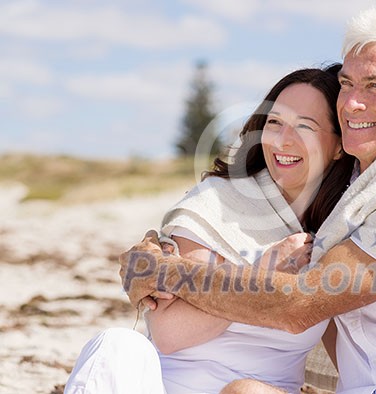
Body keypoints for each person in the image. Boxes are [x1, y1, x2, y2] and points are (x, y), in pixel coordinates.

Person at [120, 3, 376, 394]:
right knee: (245, 391)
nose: (351, 102)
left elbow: (298, 305)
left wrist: (168, 273)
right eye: (347, 83)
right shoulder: (350, 190)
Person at [65, 65, 355, 394]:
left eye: (305, 127)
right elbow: (168, 334)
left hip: (257, 391)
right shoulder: (217, 205)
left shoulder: (338, 232)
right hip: (167, 386)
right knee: (116, 344)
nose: (283, 141)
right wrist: (261, 276)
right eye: (274, 123)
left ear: (338, 145)